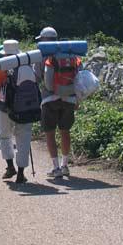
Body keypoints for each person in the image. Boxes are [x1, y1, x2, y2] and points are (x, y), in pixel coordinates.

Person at [35, 26, 81, 178]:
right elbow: (80, 77)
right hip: (69, 97)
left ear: (44, 39)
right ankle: (65, 165)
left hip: (49, 98)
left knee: (50, 133)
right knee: (65, 131)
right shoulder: (71, 54)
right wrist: (77, 98)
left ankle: (56, 168)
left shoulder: (42, 55)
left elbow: (36, 77)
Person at [0, 39, 37, 184]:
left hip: (6, 109)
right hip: (26, 108)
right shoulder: (28, 65)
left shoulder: (1, 68)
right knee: (23, 138)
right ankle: (21, 174)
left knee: (5, 136)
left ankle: (10, 167)